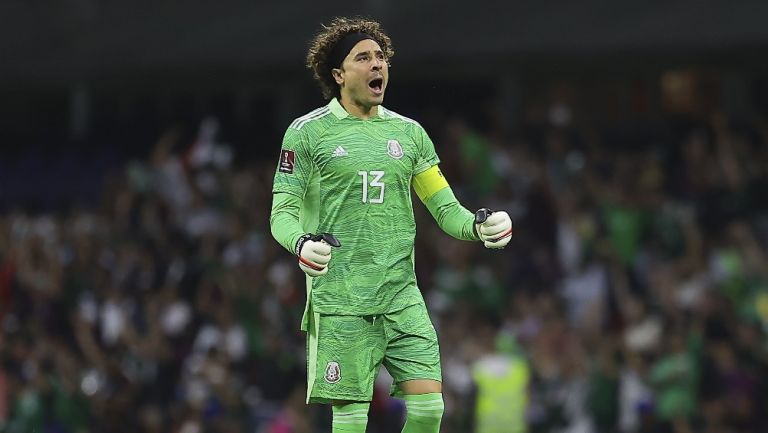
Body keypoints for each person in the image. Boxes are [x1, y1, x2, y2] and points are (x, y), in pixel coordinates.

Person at [269, 16, 513, 433]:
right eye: (362, 58)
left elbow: (445, 209)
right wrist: (300, 243)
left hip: (402, 297)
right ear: (338, 74)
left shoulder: (410, 134)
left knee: (430, 409)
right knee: (350, 420)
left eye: (380, 57)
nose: (376, 65)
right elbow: (281, 212)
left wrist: (477, 226)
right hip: (341, 301)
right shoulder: (307, 134)